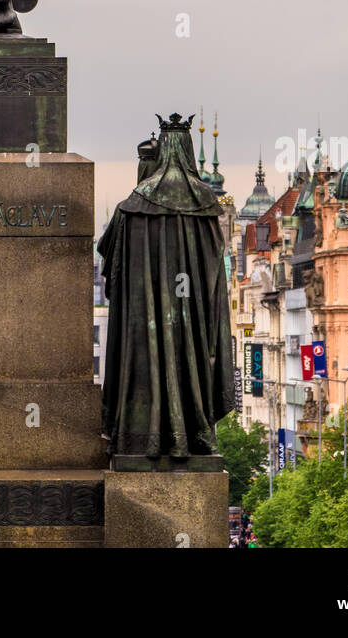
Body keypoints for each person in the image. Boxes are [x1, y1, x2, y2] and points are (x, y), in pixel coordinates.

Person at [98, 113, 235, 461]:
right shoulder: (205, 202)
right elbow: (214, 265)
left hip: (142, 314)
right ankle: (191, 432)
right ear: (188, 150)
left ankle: (139, 436)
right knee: (189, 361)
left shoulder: (134, 201)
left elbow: (108, 250)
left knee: (145, 362)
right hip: (191, 312)